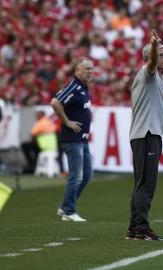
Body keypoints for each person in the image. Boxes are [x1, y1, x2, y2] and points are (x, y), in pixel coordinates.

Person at [126, 30, 163, 241]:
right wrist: (153, 45)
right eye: (162, 54)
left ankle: (134, 227)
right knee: (146, 184)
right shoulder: (147, 71)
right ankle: (141, 228)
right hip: (147, 134)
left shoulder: (153, 76)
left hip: (146, 134)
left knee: (141, 183)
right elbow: (151, 61)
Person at [50, 58, 94, 222]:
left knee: (87, 174)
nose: (90, 71)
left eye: (91, 69)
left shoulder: (82, 87)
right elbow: (55, 102)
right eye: (86, 69)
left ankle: (65, 207)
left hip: (82, 139)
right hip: (72, 138)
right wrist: (66, 121)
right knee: (76, 176)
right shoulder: (74, 86)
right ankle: (68, 210)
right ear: (77, 71)